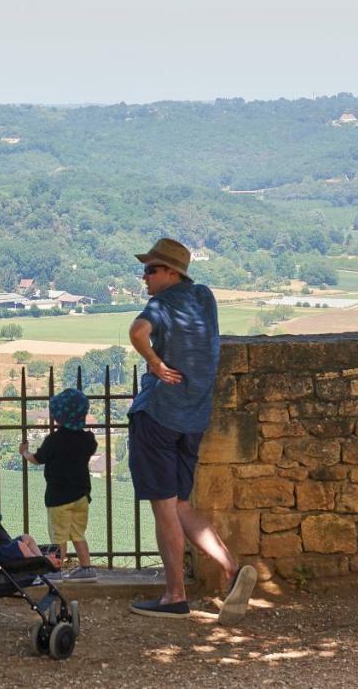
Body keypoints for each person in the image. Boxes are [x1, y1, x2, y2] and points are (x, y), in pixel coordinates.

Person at [126, 237, 257, 621]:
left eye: (151, 269)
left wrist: (152, 361)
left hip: (159, 414)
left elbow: (137, 332)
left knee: (165, 509)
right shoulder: (204, 297)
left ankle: (174, 596)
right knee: (182, 504)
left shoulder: (161, 304)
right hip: (194, 418)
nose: (144, 276)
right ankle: (231, 570)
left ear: (172, 272)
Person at [19, 388, 99, 582]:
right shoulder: (88, 439)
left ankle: (55, 571)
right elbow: (91, 447)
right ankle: (87, 568)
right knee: (78, 533)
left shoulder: (54, 440)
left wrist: (25, 453)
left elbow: (38, 459)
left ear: (57, 417)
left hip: (59, 497)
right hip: (81, 495)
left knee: (59, 536)